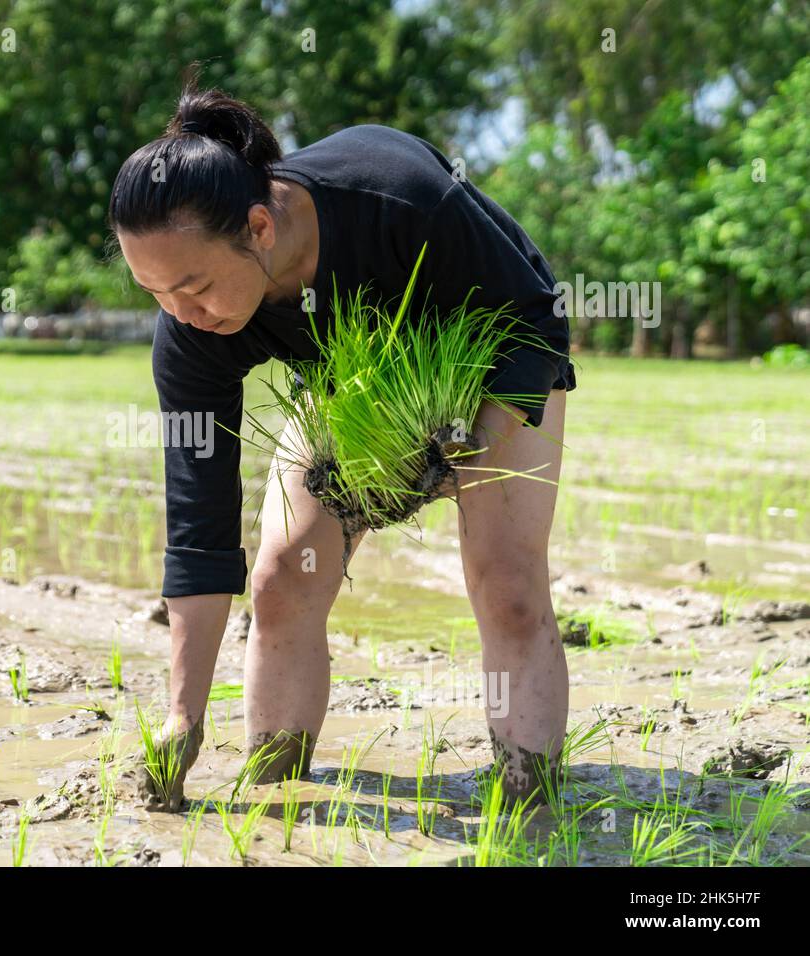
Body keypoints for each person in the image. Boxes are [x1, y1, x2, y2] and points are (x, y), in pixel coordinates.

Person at [106, 80, 575, 811]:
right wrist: (182, 715)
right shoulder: (190, 332)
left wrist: (466, 447)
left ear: (260, 227)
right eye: (155, 293)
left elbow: (537, 316)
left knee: (508, 587)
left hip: (498, 364)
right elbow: (198, 525)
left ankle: (531, 807)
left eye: (193, 287)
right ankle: (276, 798)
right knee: (281, 578)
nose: (181, 315)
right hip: (349, 384)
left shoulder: (401, 195)